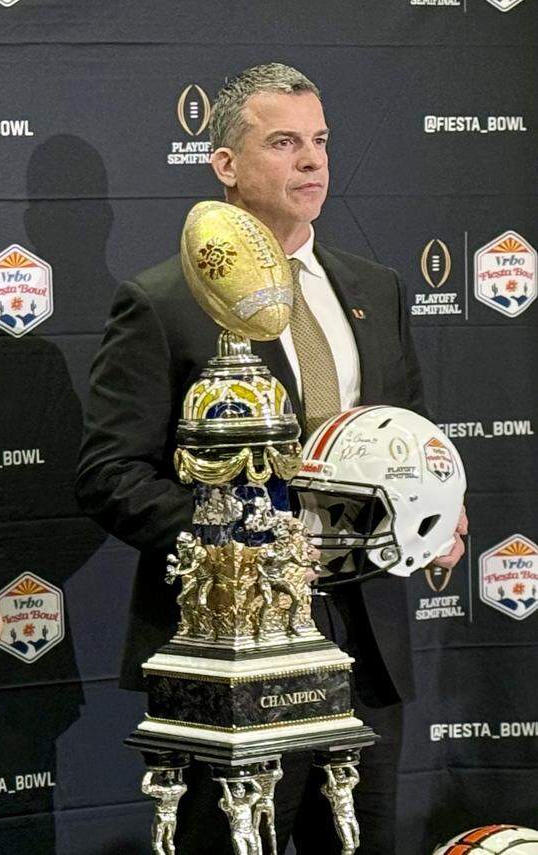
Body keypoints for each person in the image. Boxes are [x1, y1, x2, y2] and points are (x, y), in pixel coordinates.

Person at [76, 63, 466, 852]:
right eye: (283, 142)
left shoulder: (377, 287)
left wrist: (440, 515)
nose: (312, 161)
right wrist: (259, 541)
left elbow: (414, 439)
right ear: (224, 164)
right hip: (232, 648)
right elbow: (111, 476)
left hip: (367, 641)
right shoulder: (163, 301)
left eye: (319, 141)